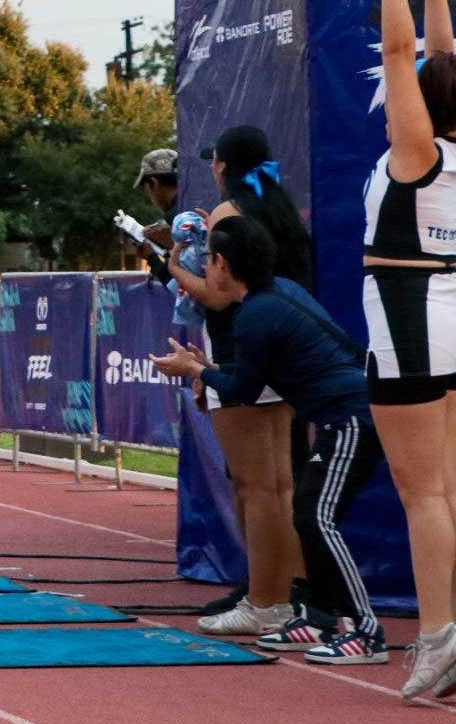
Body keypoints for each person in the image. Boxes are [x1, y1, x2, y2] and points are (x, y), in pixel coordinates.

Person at [153, 216, 386, 666]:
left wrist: (195, 370)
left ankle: (365, 631)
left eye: (209, 261)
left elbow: (241, 390)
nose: (206, 270)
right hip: (348, 407)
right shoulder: (279, 291)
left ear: (221, 263)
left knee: (318, 517)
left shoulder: (254, 315)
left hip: (351, 417)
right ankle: (316, 616)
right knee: (305, 512)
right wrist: (207, 369)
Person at [169, 124, 312, 636]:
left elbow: (218, 294)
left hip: (238, 352)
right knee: (280, 485)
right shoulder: (279, 208)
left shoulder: (231, 214)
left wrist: (171, 264)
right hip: (285, 353)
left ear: (222, 167)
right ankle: (291, 597)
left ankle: (263, 601)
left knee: (257, 488)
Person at [364, 0, 456, 699]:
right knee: (449, 489)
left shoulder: (417, 149)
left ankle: (437, 638)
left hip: (410, 310)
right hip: (448, 307)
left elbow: (402, 51)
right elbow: (438, 56)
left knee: (423, 493)